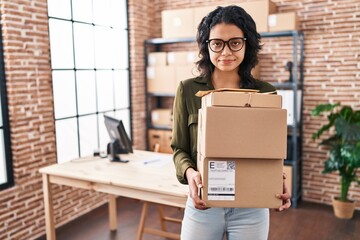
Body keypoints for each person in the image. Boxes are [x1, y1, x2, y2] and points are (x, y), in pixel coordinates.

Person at [171, 5, 291, 240]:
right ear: (207, 46)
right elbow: (178, 149)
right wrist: (190, 173)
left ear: (247, 44)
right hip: (204, 203)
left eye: (235, 42)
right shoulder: (187, 90)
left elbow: (270, 151)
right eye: (217, 43)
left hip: (252, 206)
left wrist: (280, 177)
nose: (225, 52)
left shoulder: (266, 93)